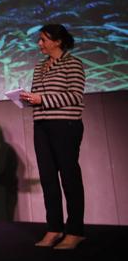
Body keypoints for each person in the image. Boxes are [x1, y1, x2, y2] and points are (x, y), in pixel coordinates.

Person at [20, 24, 86, 250]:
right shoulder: (39, 67)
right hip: (42, 125)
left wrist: (43, 99)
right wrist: (28, 100)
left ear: (57, 41)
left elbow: (75, 95)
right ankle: (54, 228)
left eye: (43, 40)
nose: (39, 44)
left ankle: (75, 230)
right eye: (39, 40)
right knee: (48, 178)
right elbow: (40, 96)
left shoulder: (72, 63)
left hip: (66, 125)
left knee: (69, 177)